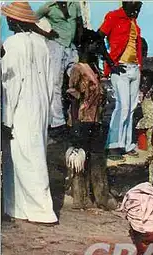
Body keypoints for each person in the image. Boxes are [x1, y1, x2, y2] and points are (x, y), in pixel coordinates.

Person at [1, 1, 58, 225]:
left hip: (21, 107)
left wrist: (6, 119)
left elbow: (11, 84)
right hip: (40, 106)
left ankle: (41, 210)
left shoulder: (14, 44)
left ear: (15, 21)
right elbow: (50, 81)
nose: (7, 21)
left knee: (23, 157)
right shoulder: (42, 43)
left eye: (9, 18)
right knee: (33, 155)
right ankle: (18, 208)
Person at [65, 29, 109, 209]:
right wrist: (75, 125)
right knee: (80, 161)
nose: (97, 47)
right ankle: (80, 199)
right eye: (95, 44)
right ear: (85, 45)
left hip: (95, 120)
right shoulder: (77, 69)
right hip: (82, 121)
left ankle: (100, 197)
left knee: (97, 159)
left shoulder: (94, 68)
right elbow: (73, 99)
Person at [98, 2, 143, 161]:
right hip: (120, 68)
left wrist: (139, 67)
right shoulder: (113, 16)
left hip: (134, 68)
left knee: (131, 108)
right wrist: (110, 64)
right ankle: (113, 145)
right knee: (122, 106)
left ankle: (126, 144)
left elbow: (136, 45)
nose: (137, 7)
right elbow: (98, 38)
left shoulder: (133, 20)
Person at [36, 1, 83, 133]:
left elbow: (79, 24)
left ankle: (75, 119)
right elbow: (31, 20)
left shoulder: (74, 4)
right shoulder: (48, 6)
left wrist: (78, 43)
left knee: (77, 80)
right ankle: (57, 122)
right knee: (55, 83)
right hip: (55, 46)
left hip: (71, 47)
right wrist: (46, 33)